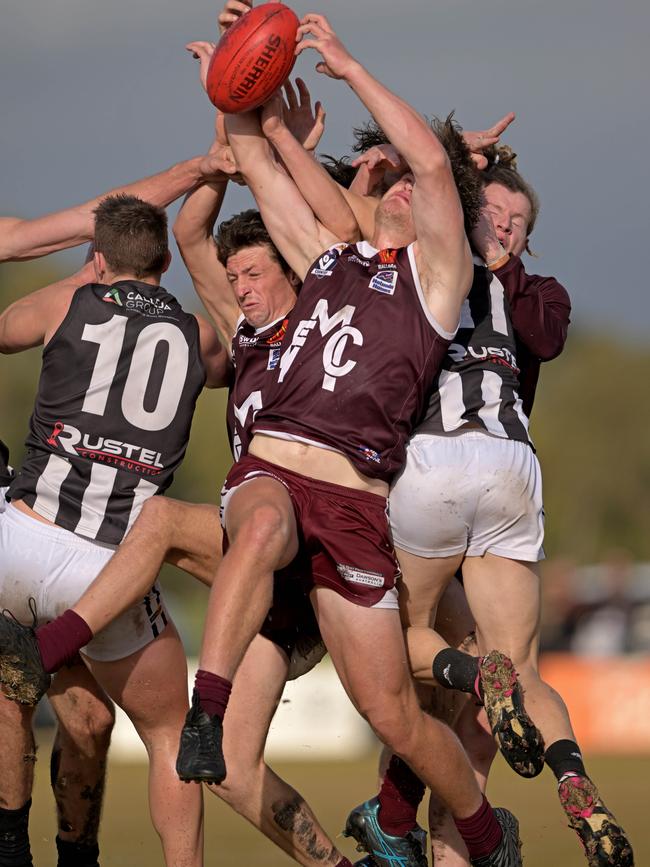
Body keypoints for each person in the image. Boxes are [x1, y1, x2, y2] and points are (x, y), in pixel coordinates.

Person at [175, 13, 523, 867]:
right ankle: (205, 716)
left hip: (358, 501)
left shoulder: (439, 282)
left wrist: (347, 64)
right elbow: (254, 155)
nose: (402, 184)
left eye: (411, 186)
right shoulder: (331, 256)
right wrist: (234, 78)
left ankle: (485, 832)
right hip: (278, 467)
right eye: (391, 181)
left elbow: (437, 162)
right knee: (255, 524)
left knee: (396, 716)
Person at [346, 147, 632, 867]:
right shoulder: (499, 275)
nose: (503, 227)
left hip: (437, 466)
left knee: (407, 640)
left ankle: (468, 712)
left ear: (526, 239)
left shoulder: (440, 270)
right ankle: (575, 785)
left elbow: (544, 334)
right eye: (492, 213)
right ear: (465, 214)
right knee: (518, 662)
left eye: (516, 222)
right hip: (510, 470)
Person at [0, 157, 219, 867]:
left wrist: (86, 280)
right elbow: (235, 357)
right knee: (167, 733)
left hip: (21, 536)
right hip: (108, 566)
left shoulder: (70, 303)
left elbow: (7, 327)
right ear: (162, 260)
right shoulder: (196, 335)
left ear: (100, 258)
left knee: (30, 701)